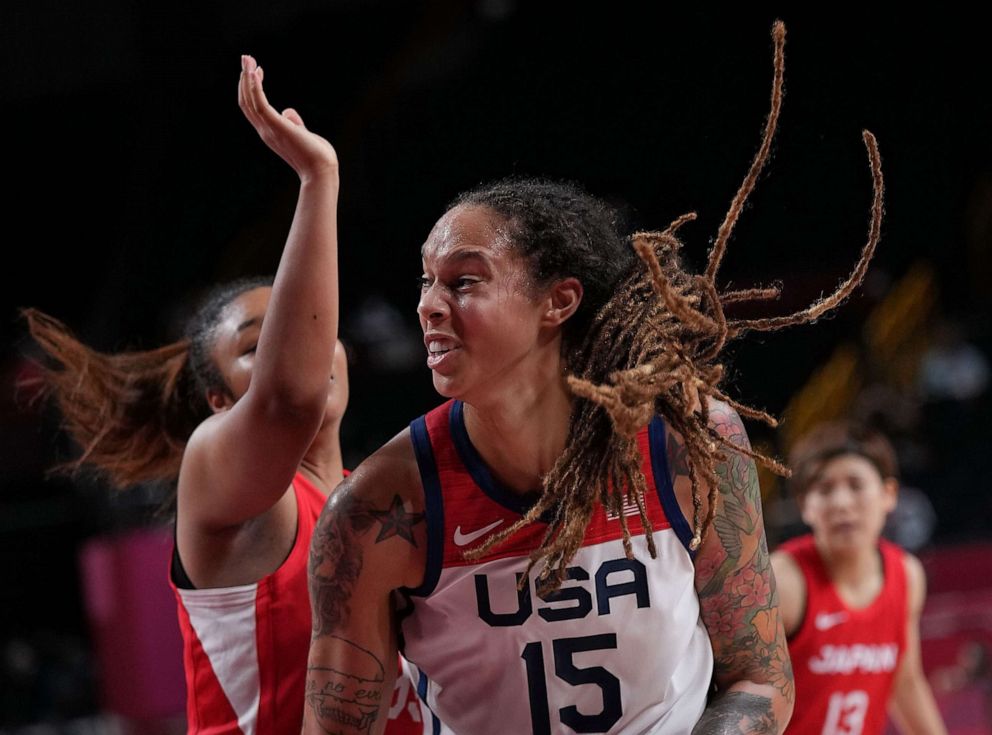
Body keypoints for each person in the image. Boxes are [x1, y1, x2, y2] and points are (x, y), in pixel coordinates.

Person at [303, 22, 884, 735]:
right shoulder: (377, 506)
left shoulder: (688, 441)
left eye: (464, 280)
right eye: (426, 282)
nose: (428, 304)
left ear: (559, 300)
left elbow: (759, 677)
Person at [25, 56, 419, 734]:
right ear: (219, 402)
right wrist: (318, 180)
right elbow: (287, 399)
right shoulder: (218, 477)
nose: (304, 348)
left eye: (312, 329)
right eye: (259, 346)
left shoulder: (379, 497)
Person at [772, 423, 947, 734]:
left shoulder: (907, 575)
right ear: (804, 506)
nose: (841, 503)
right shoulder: (783, 582)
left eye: (855, 484)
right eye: (824, 489)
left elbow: (905, 682)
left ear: (889, 494)